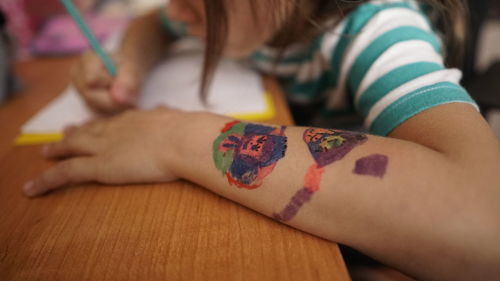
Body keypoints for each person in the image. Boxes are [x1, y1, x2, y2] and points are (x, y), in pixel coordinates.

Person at [23, 0, 500, 280]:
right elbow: (154, 25)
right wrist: (129, 59)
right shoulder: (227, 14)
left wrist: (174, 136)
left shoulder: (379, 28)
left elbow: (485, 223)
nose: (173, 8)